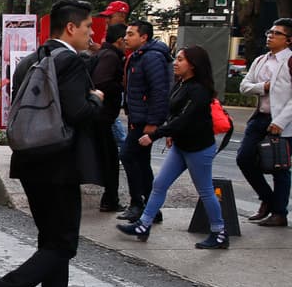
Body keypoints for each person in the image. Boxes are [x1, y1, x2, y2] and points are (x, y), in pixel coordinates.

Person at [0, 0, 104, 287]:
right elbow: (78, 114)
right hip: (60, 165)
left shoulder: (31, 60)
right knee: (63, 245)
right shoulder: (71, 63)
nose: (91, 34)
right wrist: (97, 100)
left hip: (30, 162)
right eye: (88, 26)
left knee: (50, 240)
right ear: (71, 28)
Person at [117, 46, 228, 248]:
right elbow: (174, 115)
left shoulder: (199, 90)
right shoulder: (181, 84)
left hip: (198, 149)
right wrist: (170, 134)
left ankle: (219, 233)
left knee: (205, 191)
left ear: (193, 65)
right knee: (159, 184)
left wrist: (155, 135)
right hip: (181, 145)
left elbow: (184, 120)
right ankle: (144, 224)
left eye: (180, 59)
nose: (175, 63)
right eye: (176, 59)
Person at [236, 19, 292, 227]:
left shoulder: (290, 61)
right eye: (270, 31)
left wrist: (280, 121)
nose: (270, 36)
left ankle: (279, 213)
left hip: (282, 121)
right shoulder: (261, 60)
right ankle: (268, 200)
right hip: (259, 117)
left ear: (288, 40)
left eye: (277, 33)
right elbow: (244, 86)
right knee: (244, 158)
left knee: (279, 167)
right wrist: (264, 87)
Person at [119, 21, 172, 223]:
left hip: (144, 121)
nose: (126, 37)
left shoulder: (151, 58)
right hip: (137, 118)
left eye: (131, 34)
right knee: (140, 161)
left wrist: (153, 123)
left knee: (128, 155)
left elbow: (159, 92)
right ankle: (150, 207)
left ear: (144, 37)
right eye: (126, 34)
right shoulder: (138, 57)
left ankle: (138, 204)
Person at [90, 22, 129, 212]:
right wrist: (120, 85)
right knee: (111, 159)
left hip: (102, 115)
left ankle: (110, 198)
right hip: (103, 116)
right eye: (127, 37)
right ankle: (110, 199)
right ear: (120, 40)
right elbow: (101, 81)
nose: (128, 40)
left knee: (108, 157)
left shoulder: (104, 54)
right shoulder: (111, 57)